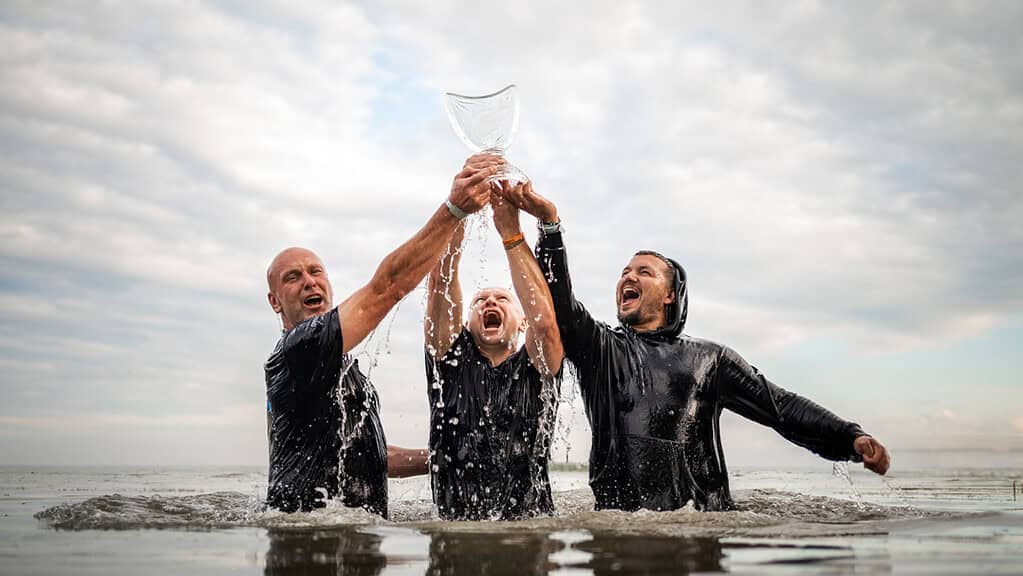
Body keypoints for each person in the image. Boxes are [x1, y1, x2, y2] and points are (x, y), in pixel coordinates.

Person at [495, 185, 891, 512]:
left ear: (670, 294)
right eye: (624, 273)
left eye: (643, 272)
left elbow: (780, 408)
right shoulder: (602, 351)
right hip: (619, 529)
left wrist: (849, 438)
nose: (628, 277)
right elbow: (559, 306)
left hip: (701, 524)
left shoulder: (710, 360)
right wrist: (549, 225)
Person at [264, 154, 504, 516]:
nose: (310, 281)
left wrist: (442, 456)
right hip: (308, 544)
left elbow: (370, 455)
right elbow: (386, 287)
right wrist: (454, 209)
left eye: (316, 272)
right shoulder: (298, 351)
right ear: (275, 302)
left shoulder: (340, 367)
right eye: (293, 277)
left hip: (351, 543)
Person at [423, 181, 564, 520]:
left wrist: (511, 233)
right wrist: (458, 211)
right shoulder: (449, 363)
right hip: (457, 533)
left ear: (521, 324)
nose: (489, 301)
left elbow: (544, 320)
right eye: (479, 301)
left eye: (502, 299)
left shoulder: (537, 365)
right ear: (466, 324)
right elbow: (441, 283)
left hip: (529, 535)